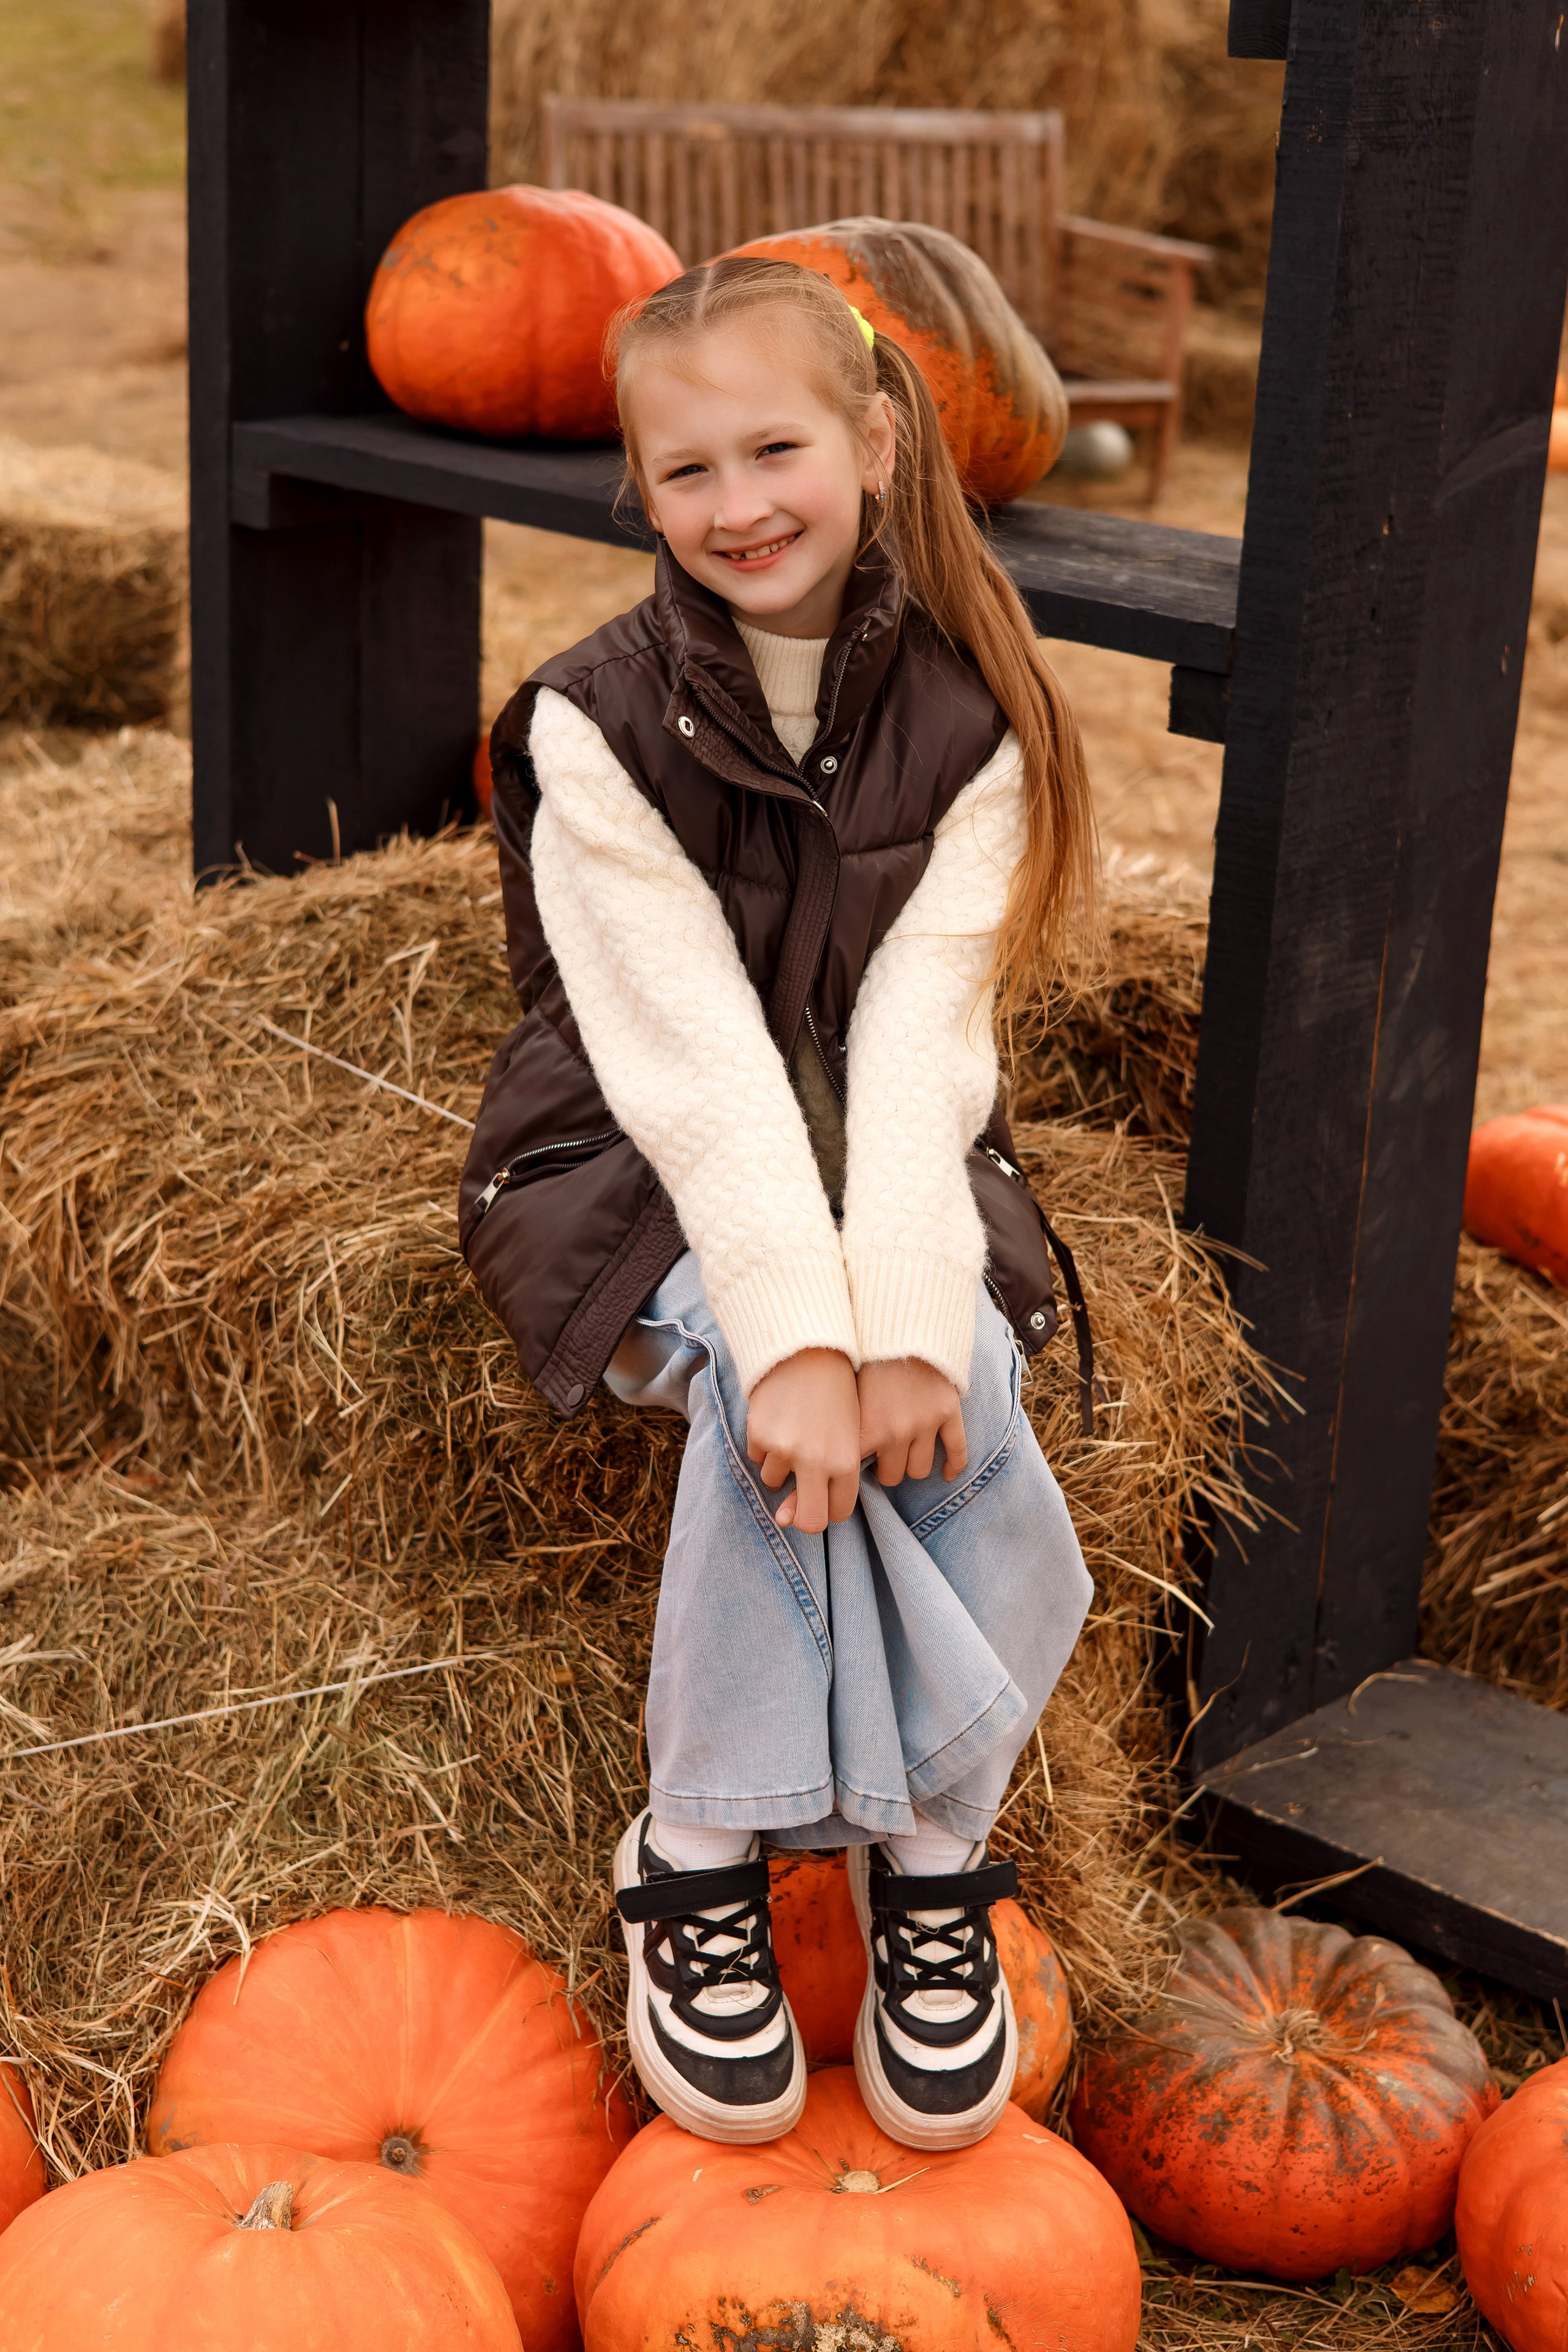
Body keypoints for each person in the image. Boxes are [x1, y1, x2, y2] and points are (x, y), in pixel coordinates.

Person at [461, 256, 1096, 2154]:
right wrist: (803, 1339)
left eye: (776, 448)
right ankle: (711, 1844)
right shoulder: (589, 722)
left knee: (959, 1372)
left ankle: (922, 1861)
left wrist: (894, 1330)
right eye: (684, 472)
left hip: (884, 1147)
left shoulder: (982, 716)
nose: (737, 504)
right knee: (769, 1387)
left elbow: (920, 1045)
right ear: (638, 497)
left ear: (877, 441)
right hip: (626, 1157)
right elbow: (694, 1075)